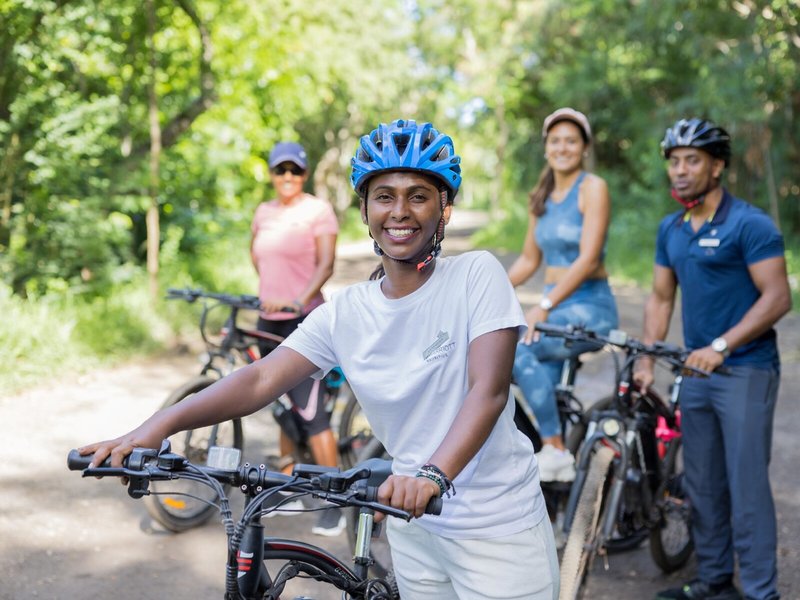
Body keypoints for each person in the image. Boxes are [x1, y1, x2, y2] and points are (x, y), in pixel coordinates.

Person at [79, 118, 559, 599]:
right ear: (365, 209)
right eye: (384, 196)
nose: (400, 211)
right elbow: (262, 377)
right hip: (414, 530)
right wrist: (157, 427)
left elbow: (488, 390)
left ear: (444, 209)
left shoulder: (476, 275)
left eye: (418, 195)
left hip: (497, 529)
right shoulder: (347, 311)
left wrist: (432, 475)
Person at [633, 118, 791, 600]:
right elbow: (661, 299)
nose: (680, 171)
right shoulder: (672, 229)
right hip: (695, 372)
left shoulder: (750, 224)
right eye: (674, 161)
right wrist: (645, 359)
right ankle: (715, 579)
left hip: (745, 369)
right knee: (701, 484)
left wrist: (721, 346)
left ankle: (762, 592)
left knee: (746, 488)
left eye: (692, 160)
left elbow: (778, 297)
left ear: (717, 166)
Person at [507, 107, 618, 482]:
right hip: (555, 309)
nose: (563, 147)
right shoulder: (541, 195)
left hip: (589, 306)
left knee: (516, 349)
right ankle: (553, 479)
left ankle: (555, 450)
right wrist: (487, 288)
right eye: (555, 140)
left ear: (584, 147)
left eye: (571, 140)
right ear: (546, 148)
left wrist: (543, 305)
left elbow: (587, 260)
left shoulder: (593, 188)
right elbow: (527, 259)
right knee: (540, 390)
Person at [250, 140, 342, 536]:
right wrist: (269, 292)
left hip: (304, 319)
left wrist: (298, 299)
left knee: (310, 410)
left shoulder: (317, 210)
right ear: (271, 174)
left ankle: (338, 500)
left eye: (295, 170)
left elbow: (326, 263)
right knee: (281, 401)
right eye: (280, 170)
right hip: (268, 319)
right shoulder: (263, 212)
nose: (287, 177)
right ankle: (287, 487)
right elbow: (257, 256)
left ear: (304, 174)